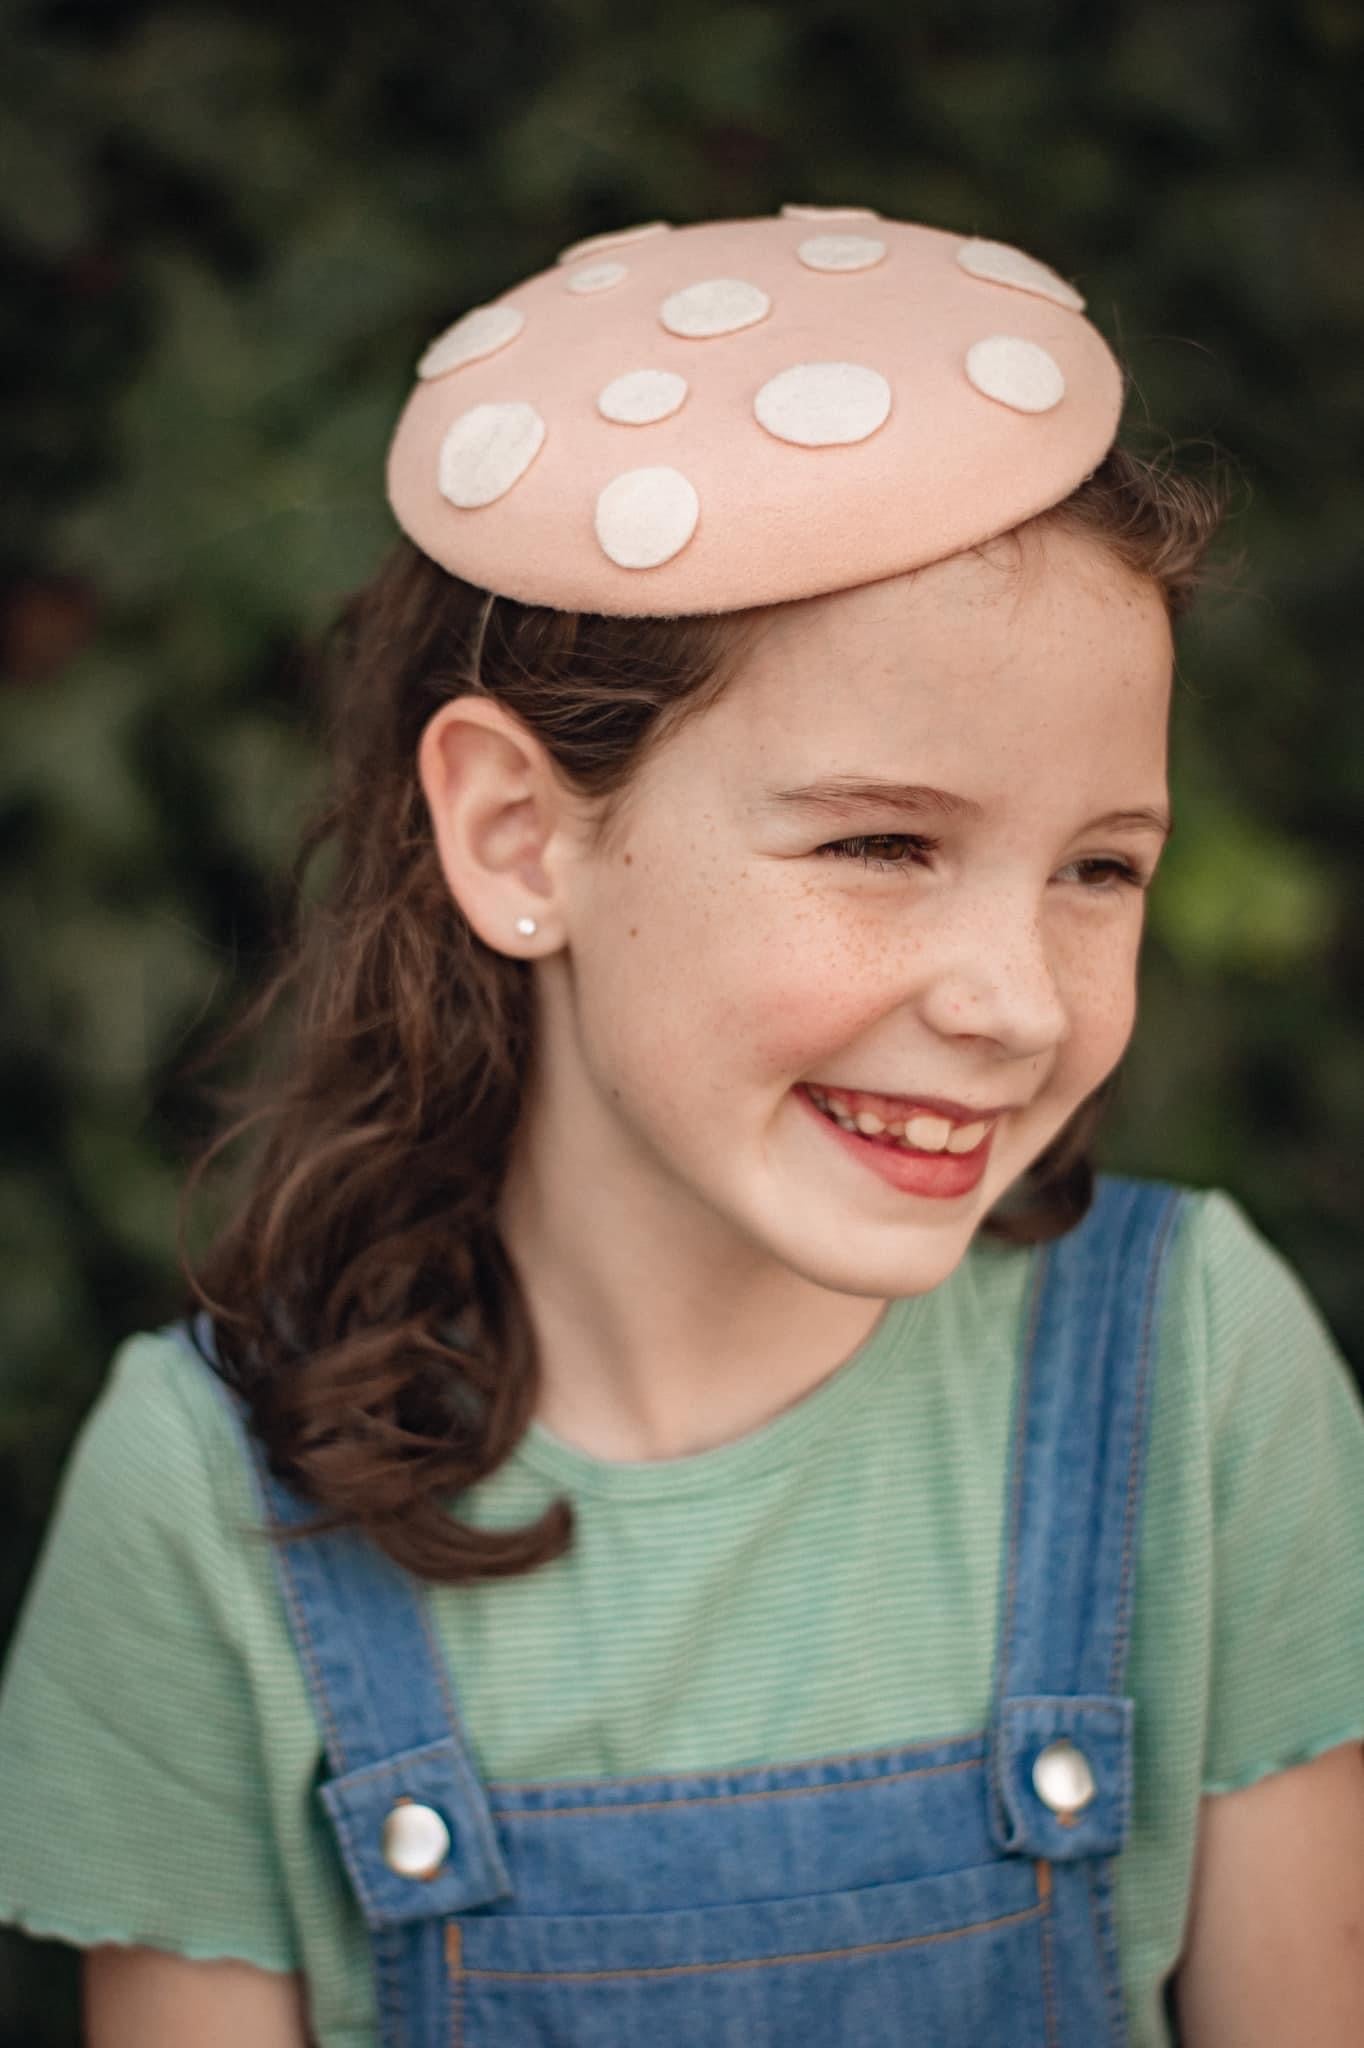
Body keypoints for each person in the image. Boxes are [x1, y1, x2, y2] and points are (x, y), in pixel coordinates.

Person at [0, 207, 1361, 2048]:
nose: (1020, 1002)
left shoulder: (1197, 1377)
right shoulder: (212, 1505)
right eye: (884, 843)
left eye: (1101, 868)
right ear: (516, 834)